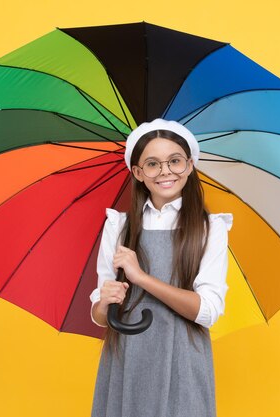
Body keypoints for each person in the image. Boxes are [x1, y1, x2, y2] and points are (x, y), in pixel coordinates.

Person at [88, 118, 233, 417]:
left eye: (175, 161)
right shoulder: (119, 226)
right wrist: (105, 300)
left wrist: (141, 277)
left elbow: (206, 311)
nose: (166, 171)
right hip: (126, 359)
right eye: (153, 164)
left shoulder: (209, 228)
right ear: (138, 173)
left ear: (190, 165)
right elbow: (100, 316)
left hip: (182, 358)